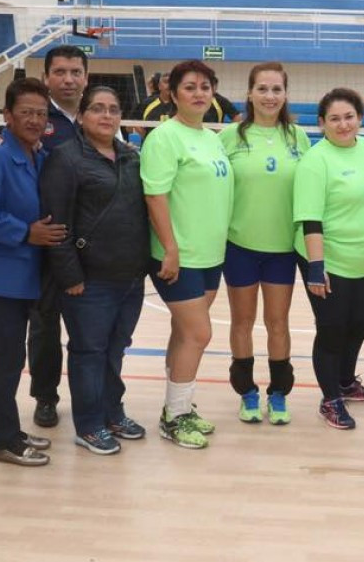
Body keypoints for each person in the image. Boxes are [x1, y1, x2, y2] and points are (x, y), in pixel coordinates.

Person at [0, 78, 66, 467]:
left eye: (41, 113)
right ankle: (3, 440)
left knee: (10, 356)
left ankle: (10, 431)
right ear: (7, 115)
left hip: (18, 281)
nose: (35, 120)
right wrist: (25, 232)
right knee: (5, 356)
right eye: (26, 113)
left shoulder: (37, 155)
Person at [40, 85, 151, 456]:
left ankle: (112, 413)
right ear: (82, 116)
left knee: (115, 349)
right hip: (89, 282)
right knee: (89, 352)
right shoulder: (66, 158)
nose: (107, 115)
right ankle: (88, 425)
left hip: (130, 277)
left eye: (113, 109)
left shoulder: (131, 156)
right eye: (98, 109)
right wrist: (70, 276)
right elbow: (57, 224)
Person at [141, 60, 234, 449]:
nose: (199, 94)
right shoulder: (164, 137)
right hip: (177, 256)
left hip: (210, 255)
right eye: (190, 87)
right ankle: (175, 417)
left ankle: (178, 406)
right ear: (173, 93)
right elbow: (155, 195)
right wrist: (171, 248)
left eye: (205, 87)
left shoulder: (212, 137)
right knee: (199, 333)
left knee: (184, 333)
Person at [218, 62, 310, 425]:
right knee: (242, 321)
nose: (269, 96)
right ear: (250, 93)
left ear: (285, 94)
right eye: (262, 88)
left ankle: (278, 393)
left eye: (276, 89)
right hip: (239, 245)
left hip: (282, 249)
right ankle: (247, 392)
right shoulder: (230, 137)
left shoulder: (298, 137)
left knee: (278, 323)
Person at [295, 88, 364, 430]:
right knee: (332, 330)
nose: (343, 124)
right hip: (328, 259)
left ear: (360, 119)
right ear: (322, 123)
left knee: (362, 322)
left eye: (349, 117)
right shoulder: (315, 161)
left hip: (362, 258)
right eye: (334, 119)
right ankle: (330, 398)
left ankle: (346, 382)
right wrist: (316, 268)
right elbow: (310, 218)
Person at [28, 44, 88, 429]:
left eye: (75, 72)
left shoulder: (97, 114)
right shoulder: (36, 117)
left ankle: (91, 397)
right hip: (49, 240)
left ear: (86, 77)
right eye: (60, 72)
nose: (68, 79)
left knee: (89, 328)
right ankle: (45, 397)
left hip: (91, 241)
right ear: (46, 77)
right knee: (45, 327)